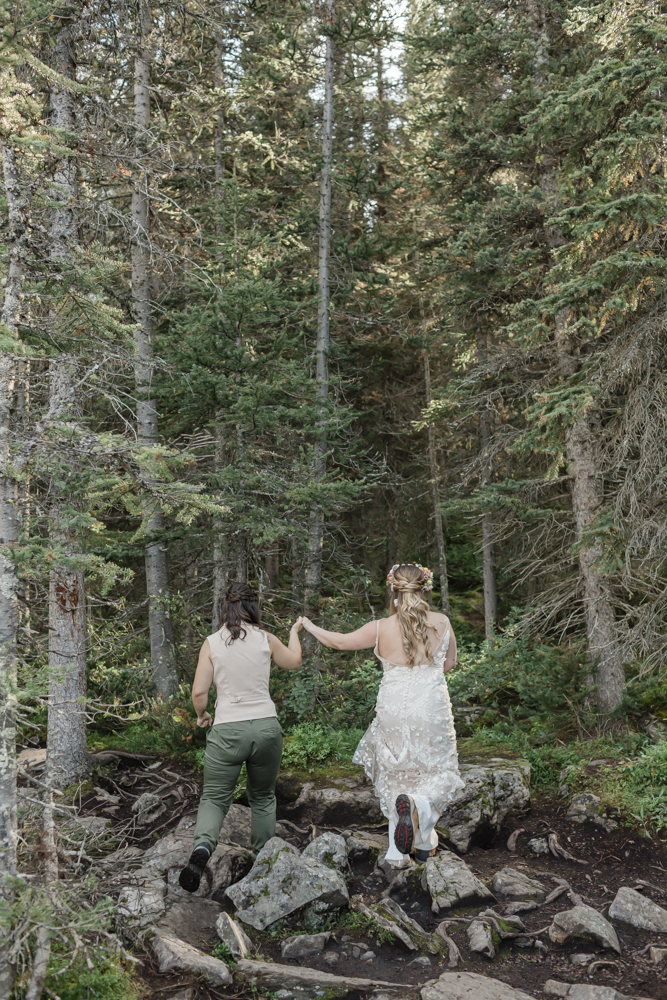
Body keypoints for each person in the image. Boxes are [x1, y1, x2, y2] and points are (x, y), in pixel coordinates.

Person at [301, 562, 463, 866]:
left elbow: (338, 641)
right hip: (430, 705)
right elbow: (450, 662)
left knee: (396, 773)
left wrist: (308, 625)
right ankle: (421, 813)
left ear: (393, 588)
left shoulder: (380, 627)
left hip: (392, 707)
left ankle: (396, 853)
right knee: (437, 771)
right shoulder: (442, 622)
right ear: (425, 588)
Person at [179, 581, 303, 892]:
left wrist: (201, 715)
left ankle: (203, 848)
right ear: (253, 607)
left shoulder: (212, 643)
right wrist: (294, 634)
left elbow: (199, 692)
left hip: (227, 730)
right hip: (266, 728)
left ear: (227, 607)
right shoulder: (266, 639)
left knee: (215, 798)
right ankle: (264, 863)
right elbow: (294, 661)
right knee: (262, 797)